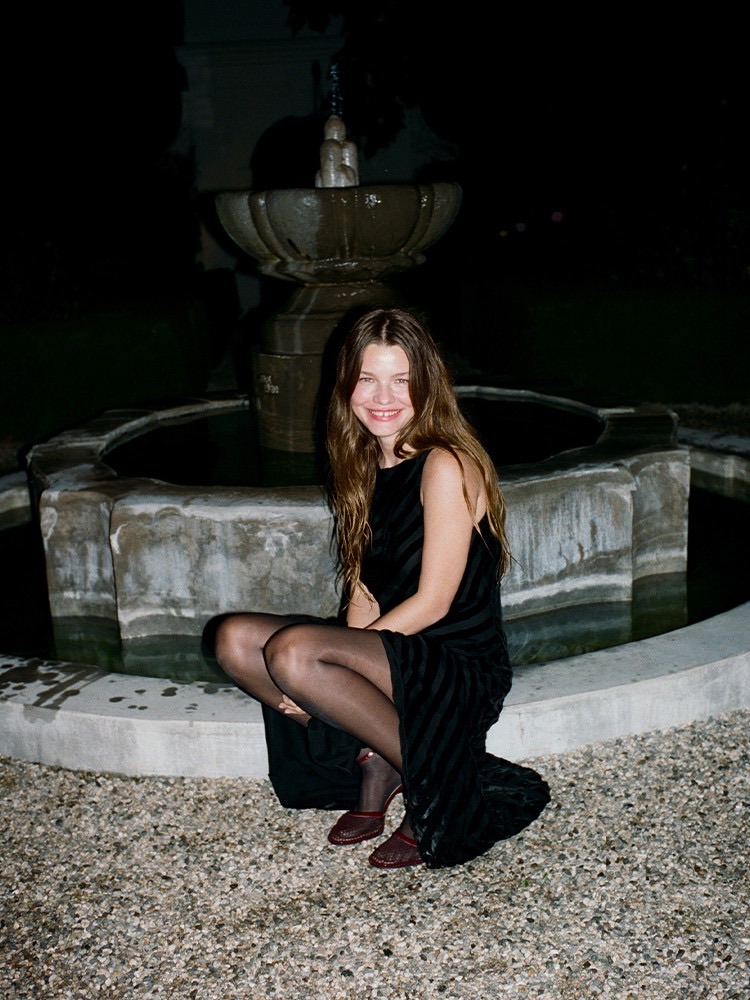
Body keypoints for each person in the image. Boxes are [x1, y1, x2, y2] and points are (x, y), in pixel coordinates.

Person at [212, 307, 550, 869]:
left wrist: (330, 666)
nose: (383, 397)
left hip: (453, 665)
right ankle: (378, 756)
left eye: (401, 380)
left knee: (293, 653)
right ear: (347, 383)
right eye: (367, 378)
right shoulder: (363, 459)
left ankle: (437, 783)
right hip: (395, 654)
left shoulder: (447, 463)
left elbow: (435, 602)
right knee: (234, 640)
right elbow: (364, 591)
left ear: (427, 383)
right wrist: (328, 674)